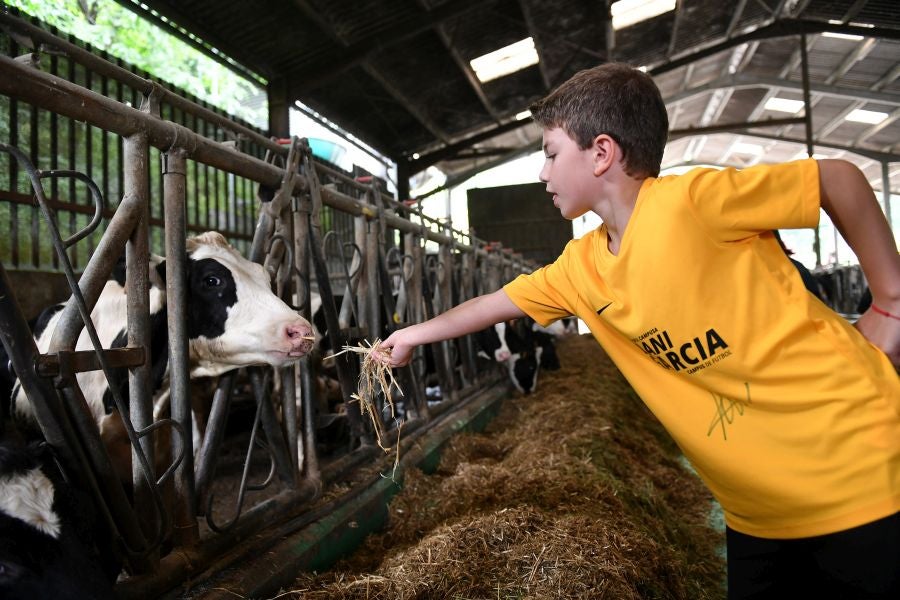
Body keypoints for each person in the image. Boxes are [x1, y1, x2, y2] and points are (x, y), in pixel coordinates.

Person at [377, 63, 900, 599]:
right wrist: (414, 334)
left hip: (861, 474)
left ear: (601, 153)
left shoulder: (691, 202)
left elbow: (836, 178)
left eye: (552, 153)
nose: (541, 172)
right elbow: (495, 303)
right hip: (757, 513)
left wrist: (890, 301)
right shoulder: (580, 267)